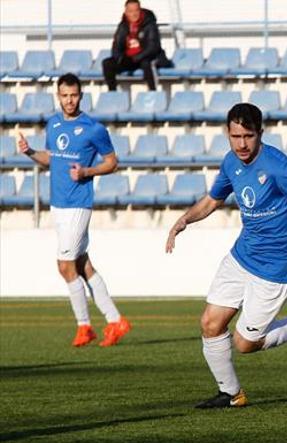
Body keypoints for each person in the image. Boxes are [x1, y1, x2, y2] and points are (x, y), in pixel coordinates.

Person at [166, 103, 287, 408]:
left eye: (248, 136)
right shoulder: (230, 162)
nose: (241, 144)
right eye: (235, 136)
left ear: (260, 134)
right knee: (210, 323)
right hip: (242, 256)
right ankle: (232, 394)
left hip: (277, 267)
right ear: (227, 133)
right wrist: (186, 218)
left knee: (244, 343)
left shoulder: (278, 166)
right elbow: (212, 200)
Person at [17, 73, 132, 348]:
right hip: (58, 204)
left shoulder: (93, 128)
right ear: (58, 96)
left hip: (78, 204)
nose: (69, 100)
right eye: (65, 95)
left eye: (74, 95)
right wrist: (30, 151)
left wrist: (87, 172)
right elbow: (52, 159)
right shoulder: (53, 124)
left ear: (81, 95)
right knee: (83, 265)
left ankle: (84, 327)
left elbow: (112, 162)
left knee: (64, 265)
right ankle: (116, 322)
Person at [102, 0, 172, 92]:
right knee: (107, 63)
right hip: (130, 59)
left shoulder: (150, 24)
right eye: (130, 11)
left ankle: (153, 92)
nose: (134, 14)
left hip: (145, 57)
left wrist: (136, 57)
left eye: (136, 11)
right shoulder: (123, 26)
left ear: (140, 10)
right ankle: (112, 92)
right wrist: (120, 58)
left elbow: (153, 47)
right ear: (126, 12)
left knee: (147, 63)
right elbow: (116, 46)